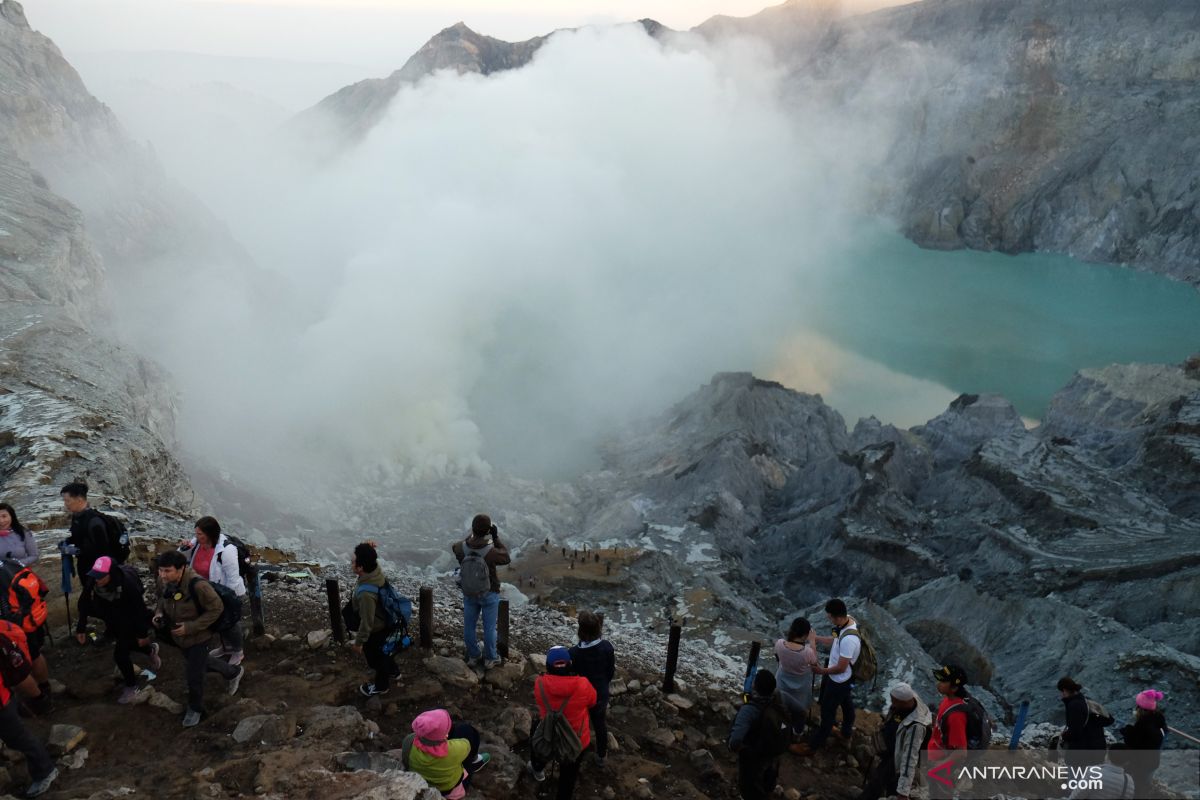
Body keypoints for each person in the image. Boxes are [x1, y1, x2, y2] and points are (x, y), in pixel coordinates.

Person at [152, 550, 243, 727]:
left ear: (181, 569)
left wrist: (190, 627)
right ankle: (233, 672)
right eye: (160, 570)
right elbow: (162, 600)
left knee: (194, 674)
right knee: (199, 662)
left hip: (199, 635)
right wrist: (158, 614)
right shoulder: (163, 581)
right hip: (178, 635)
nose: (162, 575)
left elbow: (216, 609)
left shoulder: (198, 586)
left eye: (167, 571)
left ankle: (195, 709)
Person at [76, 556, 160, 704]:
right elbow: (83, 601)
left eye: (101, 577)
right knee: (125, 640)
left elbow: (139, 610)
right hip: (109, 610)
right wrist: (81, 627)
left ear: (112, 574)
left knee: (120, 654)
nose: (97, 580)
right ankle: (150, 650)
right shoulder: (93, 579)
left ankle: (131, 686)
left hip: (128, 614)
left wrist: (142, 634)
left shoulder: (128, 586)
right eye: (95, 576)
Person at [527, 646, 597, 800]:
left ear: (548, 667)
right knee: (569, 776)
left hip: (548, 734)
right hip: (575, 740)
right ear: (570, 664)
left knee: (535, 728)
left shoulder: (539, 683)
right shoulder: (583, 684)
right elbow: (593, 701)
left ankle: (537, 768)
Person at [792, 598, 860, 755]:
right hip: (844, 679)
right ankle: (846, 733)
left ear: (836, 617)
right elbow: (834, 640)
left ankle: (812, 746)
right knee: (846, 703)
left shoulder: (850, 639)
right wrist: (816, 638)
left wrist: (822, 671)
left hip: (839, 680)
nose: (828, 619)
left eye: (829, 616)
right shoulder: (846, 622)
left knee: (827, 713)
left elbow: (842, 667)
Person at [0, 619, 58, 797]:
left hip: (1, 702)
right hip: (4, 697)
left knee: (19, 738)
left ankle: (45, 771)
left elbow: (17, 672)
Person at [181, 517, 247, 666]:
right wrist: (184, 547)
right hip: (203, 591)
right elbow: (182, 559)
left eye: (200, 534)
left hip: (223, 592)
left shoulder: (227, 550)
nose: (196, 537)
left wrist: (232, 599)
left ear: (210, 534)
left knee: (230, 622)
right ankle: (225, 647)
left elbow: (233, 576)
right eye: (196, 533)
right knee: (216, 622)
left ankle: (238, 650)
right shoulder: (197, 543)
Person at [451, 515, 510, 669]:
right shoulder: (491, 552)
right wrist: (495, 537)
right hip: (489, 592)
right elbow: (506, 556)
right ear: (488, 531)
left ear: (472, 529)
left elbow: (455, 547)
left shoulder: (460, 548)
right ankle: (491, 658)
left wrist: (471, 536)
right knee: (489, 627)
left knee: (469, 625)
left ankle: (473, 655)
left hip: (469, 591)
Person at [858, 683, 930, 800]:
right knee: (891, 783)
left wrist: (904, 792)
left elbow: (909, 757)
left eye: (894, 701)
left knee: (878, 780)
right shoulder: (908, 700)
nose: (892, 704)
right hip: (892, 749)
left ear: (903, 702)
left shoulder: (916, 725)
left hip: (899, 756)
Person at [401, 709, 490, 798]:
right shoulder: (454, 750)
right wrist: (446, 737)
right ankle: (474, 762)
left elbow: (405, 760)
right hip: (448, 790)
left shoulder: (408, 741)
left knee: (457, 730)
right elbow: (466, 744)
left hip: (421, 782)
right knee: (467, 730)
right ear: (445, 735)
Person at [728, 670, 790, 800]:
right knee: (768, 782)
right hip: (773, 754)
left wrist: (739, 748)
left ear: (755, 686)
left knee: (750, 788)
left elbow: (736, 740)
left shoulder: (749, 710)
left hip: (754, 758)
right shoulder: (777, 701)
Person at [349, 542, 398, 697]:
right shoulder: (375, 571)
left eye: (353, 561)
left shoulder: (366, 594)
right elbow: (371, 558)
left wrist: (359, 642)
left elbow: (367, 622)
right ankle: (394, 672)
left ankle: (381, 686)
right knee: (385, 653)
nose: (351, 563)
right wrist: (368, 547)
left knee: (376, 660)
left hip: (376, 630)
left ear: (360, 568)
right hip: (385, 622)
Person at [569, 610, 615, 766]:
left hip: (581, 694)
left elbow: (572, 675)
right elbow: (610, 672)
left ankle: (577, 749)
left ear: (580, 631)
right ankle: (602, 755)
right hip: (600, 693)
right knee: (600, 723)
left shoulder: (573, 653)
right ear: (598, 629)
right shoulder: (607, 648)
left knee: (579, 721)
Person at [1114, 689, 1166, 797]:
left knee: (1134, 786)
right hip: (1153, 760)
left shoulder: (1143, 724)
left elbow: (1133, 743)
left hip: (1140, 762)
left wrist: (1127, 731)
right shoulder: (1159, 718)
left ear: (1141, 708)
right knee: (1144, 785)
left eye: (1137, 706)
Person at [774, 616, 817, 737]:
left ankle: (781, 725)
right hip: (800, 687)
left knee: (782, 706)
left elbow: (777, 658)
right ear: (806, 634)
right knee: (799, 711)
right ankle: (796, 733)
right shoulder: (807, 652)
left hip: (782, 681)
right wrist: (812, 642)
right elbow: (814, 663)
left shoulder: (780, 644)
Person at [61, 482, 110, 580]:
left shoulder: (94, 521)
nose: (65, 504)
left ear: (79, 499)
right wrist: (67, 541)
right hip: (85, 567)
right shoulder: (77, 517)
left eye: (67, 501)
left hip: (98, 571)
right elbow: (80, 537)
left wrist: (78, 551)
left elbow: (103, 551)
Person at [1059, 677, 1108, 767]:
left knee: (1076, 779)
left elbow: (1075, 731)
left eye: (1061, 692)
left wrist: (1064, 735)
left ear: (1064, 690)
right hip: (1097, 749)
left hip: (1081, 753)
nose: (1061, 695)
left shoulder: (1074, 705)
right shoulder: (1087, 701)